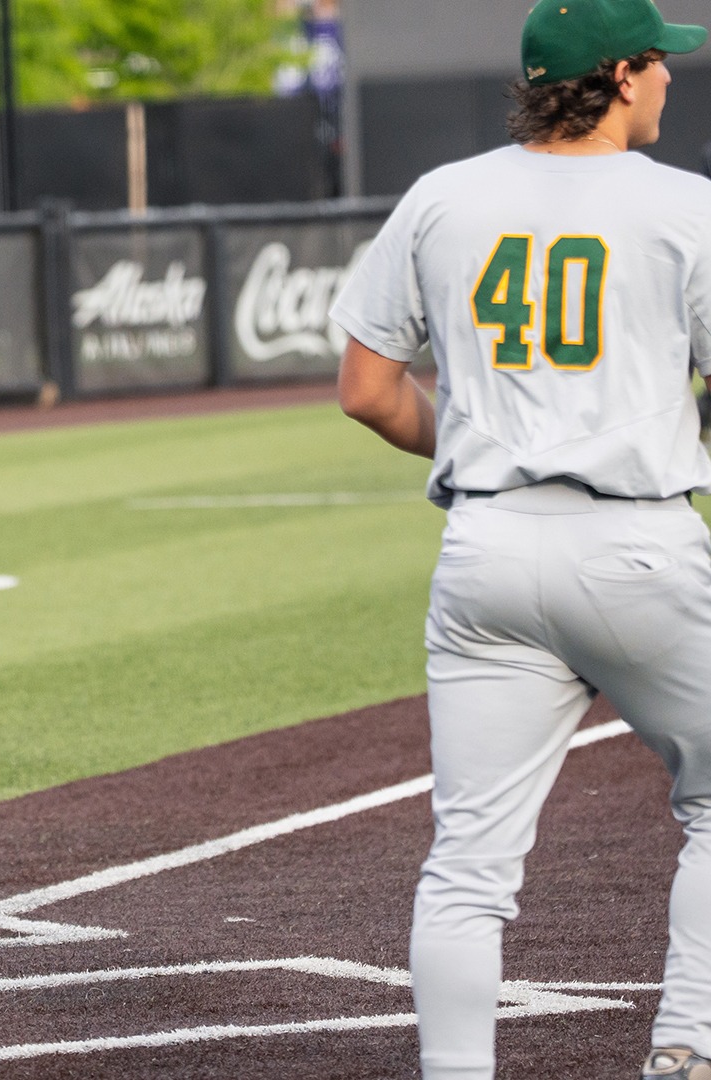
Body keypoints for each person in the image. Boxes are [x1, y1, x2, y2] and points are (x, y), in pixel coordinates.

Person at [331, 2, 711, 1077]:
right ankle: (686, 1042)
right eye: (661, 65)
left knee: (466, 868)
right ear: (622, 75)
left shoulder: (443, 197)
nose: (672, 81)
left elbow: (366, 391)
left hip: (487, 548)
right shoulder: (687, 208)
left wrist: (465, 441)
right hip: (637, 543)